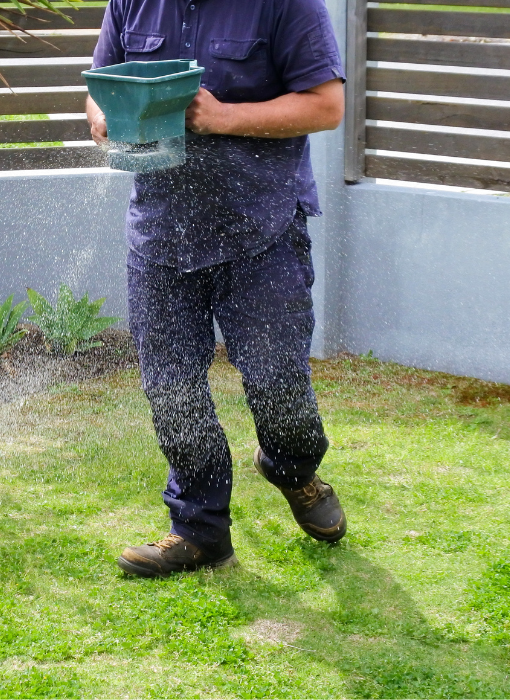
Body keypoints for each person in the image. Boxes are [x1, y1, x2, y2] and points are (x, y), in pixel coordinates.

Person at [86, 0, 349, 577]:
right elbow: (99, 88)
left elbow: (327, 107)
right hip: (161, 231)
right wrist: (107, 118)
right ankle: (200, 532)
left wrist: (221, 118)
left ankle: (293, 468)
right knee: (172, 390)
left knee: (278, 383)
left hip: (263, 227)